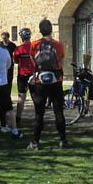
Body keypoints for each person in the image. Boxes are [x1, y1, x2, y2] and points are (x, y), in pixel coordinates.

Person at [28, 19, 68, 150]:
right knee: (58, 112)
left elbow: (33, 61)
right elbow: (61, 62)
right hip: (55, 81)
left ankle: (35, 142)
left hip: (40, 81)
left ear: (40, 30)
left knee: (39, 114)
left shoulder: (34, 44)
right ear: (51, 30)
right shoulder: (58, 44)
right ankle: (63, 140)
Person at [12, 28, 35, 128]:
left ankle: (18, 118)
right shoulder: (34, 47)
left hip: (22, 75)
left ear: (21, 37)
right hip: (33, 75)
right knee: (36, 97)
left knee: (21, 97)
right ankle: (38, 117)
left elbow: (16, 61)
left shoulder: (18, 49)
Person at [0, 31, 17, 132]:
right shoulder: (0, 45)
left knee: (9, 84)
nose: (4, 39)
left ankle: (8, 97)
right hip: (3, 68)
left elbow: (14, 56)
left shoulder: (12, 45)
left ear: (8, 37)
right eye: (2, 38)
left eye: (5, 38)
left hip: (9, 68)